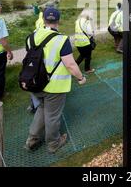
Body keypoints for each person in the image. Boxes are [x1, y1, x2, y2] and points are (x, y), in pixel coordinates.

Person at [24, 8, 87, 153]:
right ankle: (53, 143)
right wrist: (81, 78)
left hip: (34, 83)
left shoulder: (31, 37)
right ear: (58, 21)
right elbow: (70, 64)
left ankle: (32, 139)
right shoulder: (61, 39)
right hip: (54, 86)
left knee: (42, 109)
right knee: (52, 116)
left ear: (44, 19)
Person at [74, 8, 95, 73]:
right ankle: (87, 69)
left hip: (77, 42)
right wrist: (93, 32)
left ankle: (75, 65)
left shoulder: (77, 21)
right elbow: (90, 33)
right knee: (88, 56)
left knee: (82, 55)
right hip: (85, 42)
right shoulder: (87, 22)